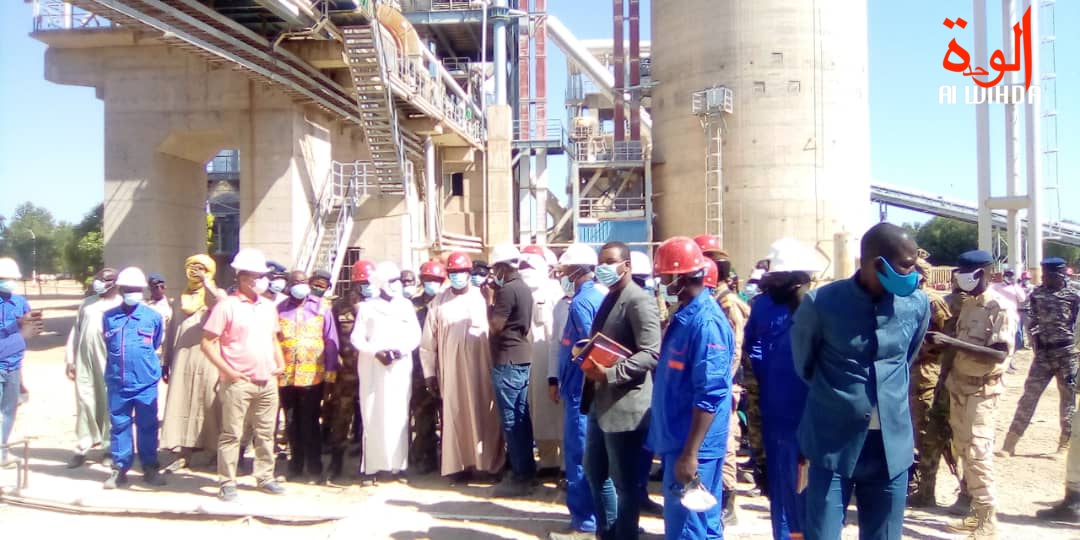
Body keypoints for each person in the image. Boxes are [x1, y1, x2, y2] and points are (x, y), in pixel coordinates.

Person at [792, 222, 930, 540]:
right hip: (832, 444)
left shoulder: (916, 304)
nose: (915, 273)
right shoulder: (821, 303)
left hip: (890, 449)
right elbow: (804, 365)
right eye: (907, 265)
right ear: (877, 264)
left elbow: (906, 358)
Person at [651, 237, 733, 539]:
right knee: (703, 525)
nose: (661, 283)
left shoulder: (705, 323)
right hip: (679, 438)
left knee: (687, 527)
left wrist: (690, 454)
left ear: (679, 276)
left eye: (664, 277)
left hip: (692, 445)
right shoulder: (685, 316)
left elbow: (710, 393)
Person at [929, 250, 1013, 539]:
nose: (962, 279)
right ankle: (975, 512)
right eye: (960, 273)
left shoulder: (999, 307)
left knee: (978, 452)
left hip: (982, 390)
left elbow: (999, 354)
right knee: (964, 449)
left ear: (986, 273)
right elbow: (958, 347)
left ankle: (988, 519)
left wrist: (952, 342)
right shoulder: (968, 305)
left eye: (969, 273)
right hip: (959, 386)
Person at [581, 241, 661, 540]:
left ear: (626, 265)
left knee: (625, 483)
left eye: (609, 261)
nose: (603, 267)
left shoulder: (639, 301)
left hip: (626, 406)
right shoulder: (610, 297)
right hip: (600, 401)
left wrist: (612, 373)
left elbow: (651, 353)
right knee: (595, 471)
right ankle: (608, 532)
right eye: (600, 262)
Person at [743, 242, 820, 540]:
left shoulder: (818, 307)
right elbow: (753, 352)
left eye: (777, 276)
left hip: (805, 416)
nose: (770, 282)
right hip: (780, 415)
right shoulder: (765, 306)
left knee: (805, 493)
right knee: (787, 492)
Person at [201, 248, 286, 501]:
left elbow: (273, 338)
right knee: (232, 434)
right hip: (238, 382)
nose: (262, 280)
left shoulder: (268, 307)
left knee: (266, 432)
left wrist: (280, 363)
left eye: (262, 276)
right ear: (243, 277)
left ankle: (265, 476)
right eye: (257, 276)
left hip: (267, 380)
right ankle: (227, 481)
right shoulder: (226, 307)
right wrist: (230, 372)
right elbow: (208, 343)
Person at [420, 251, 506, 480]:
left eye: (461, 272)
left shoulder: (483, 297)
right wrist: (430, 374)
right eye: (453, 272)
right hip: (451, 372)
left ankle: (489, 466)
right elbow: (428, 343)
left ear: (469, 273)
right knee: (455, 415)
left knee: (485, 416)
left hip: (482, 371)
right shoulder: (438, 302)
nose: (457, 276)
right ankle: (458, 467)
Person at [549, 244, 606, 540]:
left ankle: (584, 523)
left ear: (576, 271)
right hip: (587, 389)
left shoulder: (582, 302)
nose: (563, 276)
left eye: (566, 271)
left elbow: (588, 348)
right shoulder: (599, 296)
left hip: (580, 389)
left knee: (578, 455)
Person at [695, 234, 750, 526]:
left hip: (722, 385)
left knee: (725, 442)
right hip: (711, 384)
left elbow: (734, 351)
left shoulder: (728, 303)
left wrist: (719, 384)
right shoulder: (711, 300)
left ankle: (727, 500)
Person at [999, 257, 1079, 457]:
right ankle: (1010, 443)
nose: (1044, 278)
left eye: (1048, 275)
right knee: (1029, 397)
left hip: (1067, 354)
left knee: (1068, 400)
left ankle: (1064, 444)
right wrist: (1035, 343)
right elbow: (1030, 321)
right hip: (1043, 354)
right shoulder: (1037, 294)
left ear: (1060, 274)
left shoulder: (1074, 295)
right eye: (1043, 274)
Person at [353, 261, 422, 483]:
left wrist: (400, 351)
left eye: (398, 280)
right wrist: (375, 352)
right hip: (373, 367)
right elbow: (357, 338)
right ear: (381, 283)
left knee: (399, 414)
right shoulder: (367, 307)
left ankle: (398, 466)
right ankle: (371, 468)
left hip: (399, 367)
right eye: (392, 281)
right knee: (372, 413)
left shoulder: (406, 306)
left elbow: (415, 335)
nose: (396, 284)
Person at [101, 267, 167, 489]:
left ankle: (150, 467)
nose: (132, 293)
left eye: (136, 289)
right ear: (120, 290)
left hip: (145, 382)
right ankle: (120, 469)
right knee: (119, 425)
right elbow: (107, 344)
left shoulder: (153, 317)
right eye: (128, 289)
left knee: (148, 425)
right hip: (118, 382)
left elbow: (155, 343)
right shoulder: (109, 317)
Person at [161, 255, 227, 471]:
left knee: (210, 404)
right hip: (182, 360)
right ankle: (183, 453)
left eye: (201, 268)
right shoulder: (180, 299)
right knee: (182, 403)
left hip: (208, 359)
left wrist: (207, 283)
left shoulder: (216, 294)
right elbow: (171, 332)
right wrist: (166, 361)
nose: (195, 272)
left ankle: (214, 452)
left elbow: (218, 303)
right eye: (191, 267)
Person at [277, 269, 339, 481]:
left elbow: (331, 342)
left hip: (313, 376)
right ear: (289, 285)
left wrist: (331, 376)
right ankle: (295, 465)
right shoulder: (279, 309)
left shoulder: (322, 308)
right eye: (296, 282)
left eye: (303, 282)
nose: (300, 286)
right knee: (291, 421)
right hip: (285, 375)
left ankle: (314, 467)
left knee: (310, 421)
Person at [488, 243, 538, 496]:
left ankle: (521, 475)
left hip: (507, 359)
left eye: (495, 268)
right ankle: (526, 470)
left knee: (511, 419)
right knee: (520, 416)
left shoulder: (507, 290)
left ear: (502, 267)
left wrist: (489, 301)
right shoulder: (523, 287)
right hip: (520, 356)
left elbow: (495, 326)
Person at [907, 251, 953, 505]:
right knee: (911, 433)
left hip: (926, 374)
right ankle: (916, 484)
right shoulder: (901, 299)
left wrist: (925, 348)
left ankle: (928, 490)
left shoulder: (933, 301)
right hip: (905, 375)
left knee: (928, 434)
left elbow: (947, 338)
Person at [65, 267, 123, 468]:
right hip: (84, 359)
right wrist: (70, 359)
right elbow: (76, 332)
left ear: (114, 283)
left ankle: (108, 448)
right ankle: (83, 446)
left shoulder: (120, 305)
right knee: (84, 401)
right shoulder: (87, 304)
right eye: (98, 278)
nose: (99, 281)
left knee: (108, 401)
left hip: (108, 360)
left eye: (104, 279)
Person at [323, 260, 373, 481]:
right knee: (341, 418)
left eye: (370, 282)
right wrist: (335, 364)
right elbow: (331, 338)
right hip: (347, 373)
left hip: (371, 372)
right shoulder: (339, 307)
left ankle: (368, 464)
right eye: (363, 282)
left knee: (370, 418)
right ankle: (336, 462)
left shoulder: (379, 306)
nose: (367, 286)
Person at [521, 246, 565, 477]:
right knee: (537, 412)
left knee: (558, 413)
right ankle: (548, 462)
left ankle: (565, 464)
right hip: (528, 361)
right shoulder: (520, 291)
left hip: (551, 359)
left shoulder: (555, 291)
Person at [0, 258, 37, 468]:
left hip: (13, 365)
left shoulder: (20, 302)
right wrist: (16, 326)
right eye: (5, 278)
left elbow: (28, 330)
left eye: (12, 279)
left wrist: (29, 325)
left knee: (9, 411)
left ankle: (2, 451)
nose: (10, 282)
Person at [410, 260, 446, 474]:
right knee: (423, 416)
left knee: (448, 415)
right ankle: (427, 458)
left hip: (445, 366)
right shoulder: (412, 305)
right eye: (428, 279)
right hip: (418, 369)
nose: (432, 283)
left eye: (436, 280)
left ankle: (449, 460)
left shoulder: (446, 302)